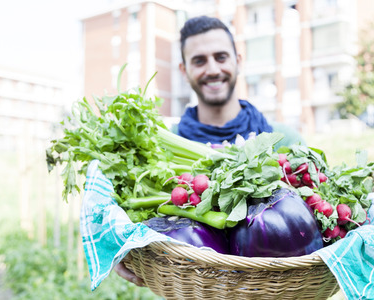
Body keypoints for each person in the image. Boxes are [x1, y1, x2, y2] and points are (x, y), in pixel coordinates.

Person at [114, 15, 305, 286]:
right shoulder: (161, 149)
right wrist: (116, 244)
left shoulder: (285, 140)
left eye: (221, 57)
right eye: (199, 60)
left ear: (238, 60)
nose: (212, 69)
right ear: (183, 69)